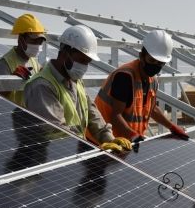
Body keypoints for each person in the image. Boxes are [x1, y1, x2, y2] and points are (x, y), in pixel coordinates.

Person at [18, 25, 131, 153]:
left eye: (87, 62)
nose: (84, 66)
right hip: (51, 158)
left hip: (71, 154)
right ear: (65, 52)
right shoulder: (42, 85)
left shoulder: (75, 80)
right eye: (82, 60)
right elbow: (57, 133)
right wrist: (89, 148)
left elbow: (90, 110)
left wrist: (108, 138)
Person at [94, 30, 188, 142]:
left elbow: (151, 109)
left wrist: (172, 127)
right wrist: (133, 136)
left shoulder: (152, 80)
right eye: (152, 60)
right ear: (141, 56)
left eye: (160, 63)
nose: (155, 65)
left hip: (126, 141)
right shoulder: (125, 77)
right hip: (104, 141)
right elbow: (115, 115)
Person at [0, 13, 46, 105]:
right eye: (34, 40)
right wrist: (12, 80)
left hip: (28, 114)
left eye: (40, 41)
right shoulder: (4, 63)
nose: (37, 45)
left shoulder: (33, 61)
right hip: (11, 114)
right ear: (21, 39)